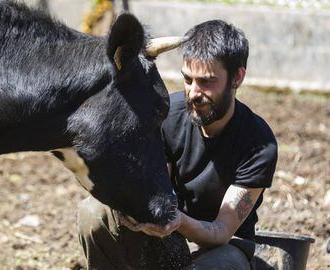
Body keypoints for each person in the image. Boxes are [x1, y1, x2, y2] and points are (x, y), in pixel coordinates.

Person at [76, 19, 278, 270]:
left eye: (206, 82)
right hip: (166, 233)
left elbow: (221, 231)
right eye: (188, 79)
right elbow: (155, 187)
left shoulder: (258, 144)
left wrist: (177, 221)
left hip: (222, 248)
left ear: (237, 77)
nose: (194, 92)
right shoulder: (165, 115)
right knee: (94, 213)